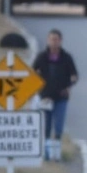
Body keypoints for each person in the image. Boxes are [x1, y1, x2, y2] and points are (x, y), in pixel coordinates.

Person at [32, 29, 78, 161]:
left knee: (58, 125)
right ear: (48, 40)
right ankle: (46, 154)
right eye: (52, 39)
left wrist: (69, 86)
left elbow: (74, 75)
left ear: (61, 41)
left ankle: (56, 154)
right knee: (46, 125)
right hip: (45, 96)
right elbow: (32, 74)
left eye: (56, 39)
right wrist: (38, 89)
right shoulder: (41, 57)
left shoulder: (66, 57)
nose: (54, 42)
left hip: (61, 97)